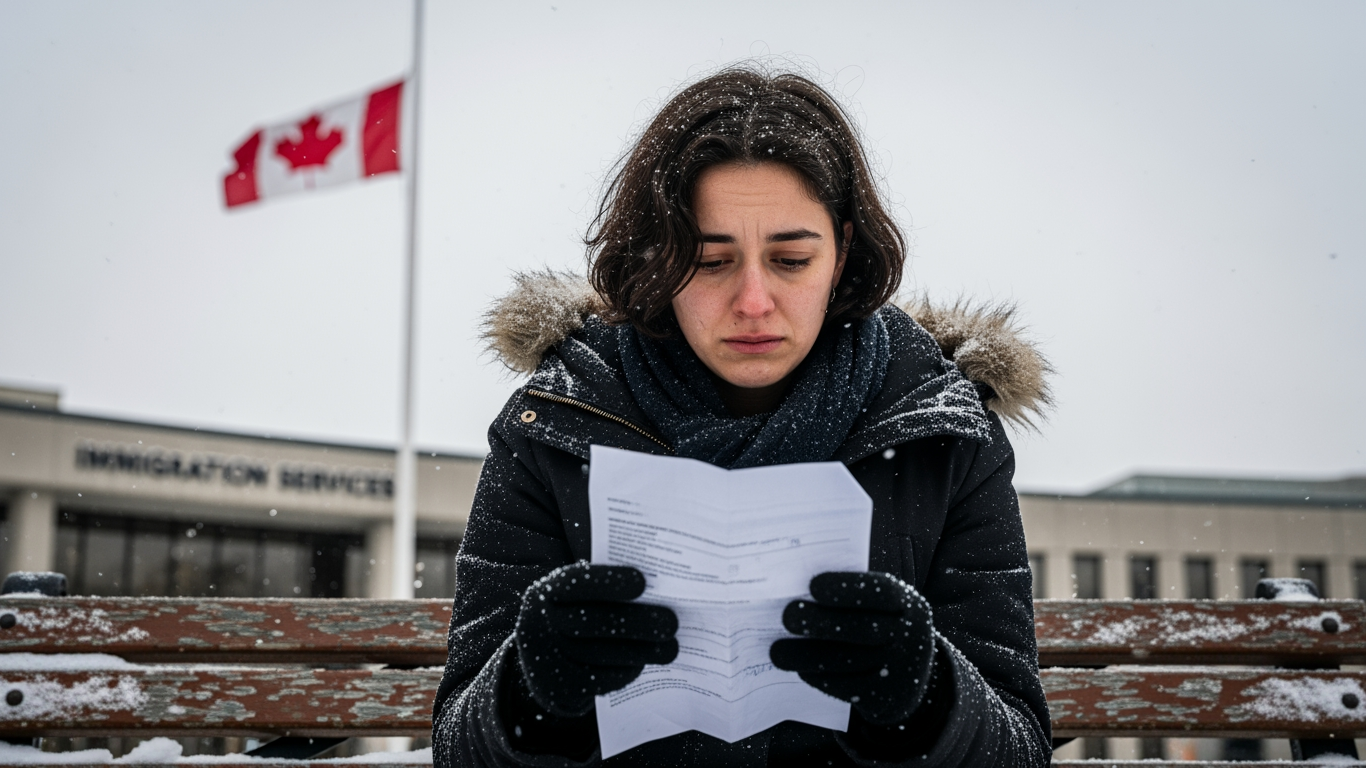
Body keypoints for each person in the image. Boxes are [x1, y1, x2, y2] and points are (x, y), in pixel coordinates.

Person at [433, 65, 1053, 767]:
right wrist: (530, 694)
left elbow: (1019, 750)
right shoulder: (551, 423)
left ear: (843, 251)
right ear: (654, 258)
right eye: (709, 261)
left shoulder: (944, 431)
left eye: (790, 259)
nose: (753, 300)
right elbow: (459, 749)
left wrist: (929, 697)